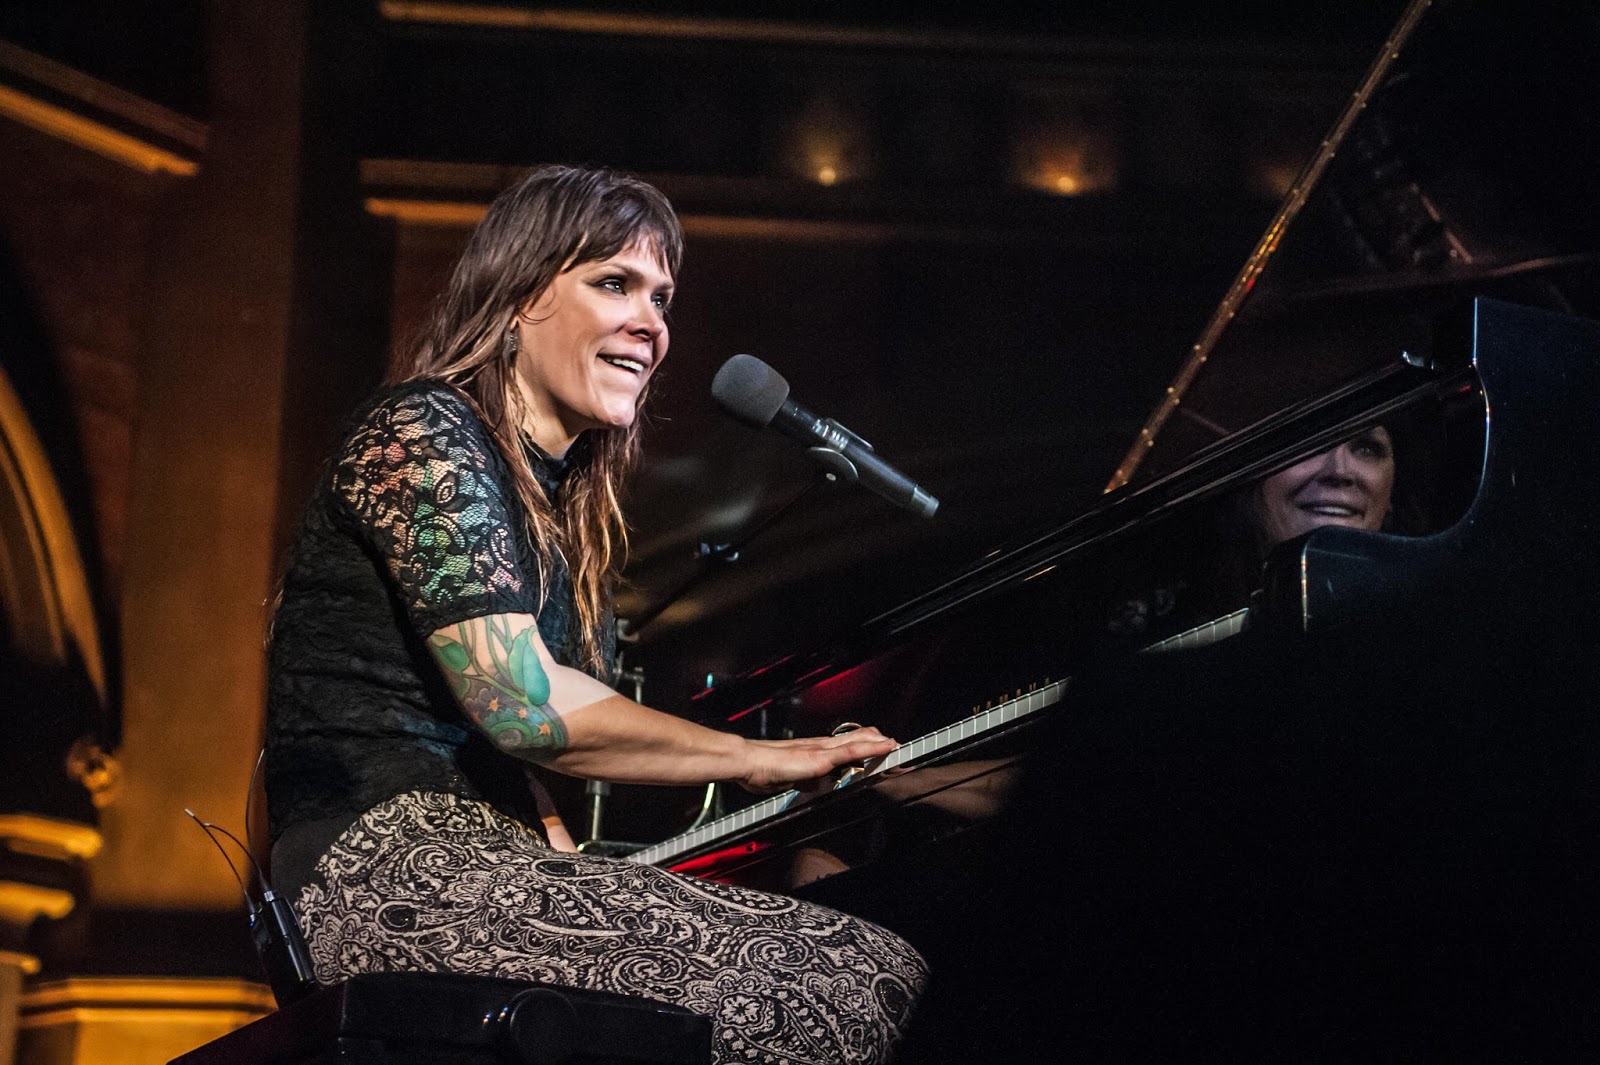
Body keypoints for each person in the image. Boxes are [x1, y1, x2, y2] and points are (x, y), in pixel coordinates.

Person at [264, 165, 925, 1064]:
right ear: (517, 298)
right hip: (380, 870)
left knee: (860, 950)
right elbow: (522, 706)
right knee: (851, 978)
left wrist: (581, 866)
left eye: (662, 297)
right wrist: (760, 757)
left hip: (486, 860)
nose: (651, 324)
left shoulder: (561, 513)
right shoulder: (421, 431)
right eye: (615, 283)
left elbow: (507, 762)